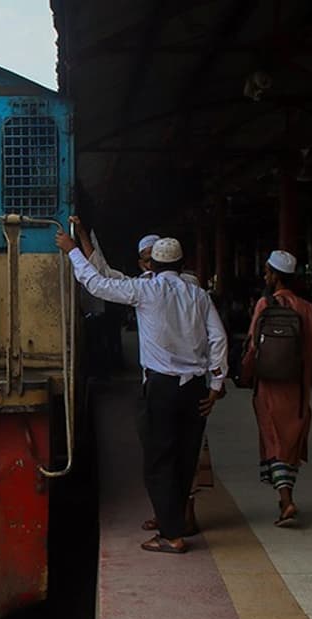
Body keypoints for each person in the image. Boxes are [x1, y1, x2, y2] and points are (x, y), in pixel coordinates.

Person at [57, 231, 228, 555]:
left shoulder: (146, 290)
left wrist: (72, 252)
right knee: (184, 459)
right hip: (196, 388)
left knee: (158, 461)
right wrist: (217, 385)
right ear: (181, 263)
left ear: (154, 264)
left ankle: (170, 535)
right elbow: (218, 339)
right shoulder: (199, 295)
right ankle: (173, 523)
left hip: (162, 386)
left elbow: (98, 285)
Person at [241, 251, 312, 526]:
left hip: (268, 387)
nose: (265, 276)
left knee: (273, 441)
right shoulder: (308, 309)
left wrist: (243, 373)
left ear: (274, 275)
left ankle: (286, 500)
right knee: (290, 442)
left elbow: (253, 346)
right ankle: (285, 497)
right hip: (297, 389)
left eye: (267, 272)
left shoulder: (265, 304)